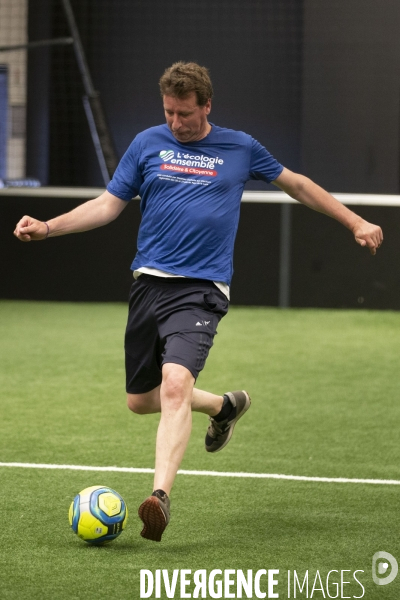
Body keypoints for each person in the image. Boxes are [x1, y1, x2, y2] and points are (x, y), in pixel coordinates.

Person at [14, 61, 383, 542]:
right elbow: (107, 205)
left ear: (207, 106)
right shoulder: (147, 144)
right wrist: (48, 227)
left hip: (201, 290)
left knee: (174, 384)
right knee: (139, 400)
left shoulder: (240, 146)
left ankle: (159, 498)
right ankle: (224, 407)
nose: (175, 123)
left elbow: (297, 185)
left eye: (184, 113)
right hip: (149, 285)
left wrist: (354, 221)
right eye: (168, 112)